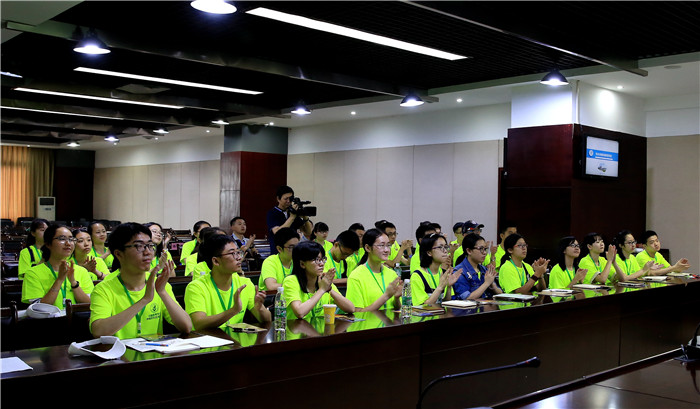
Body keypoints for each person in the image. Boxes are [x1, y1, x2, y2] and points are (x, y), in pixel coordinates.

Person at [90, 223, 191, 339]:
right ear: (119, 254)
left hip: (152, 350)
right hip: (118, 350)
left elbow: (186, 327)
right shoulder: (103, 289)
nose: (148, 252)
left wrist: (162, 292)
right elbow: (98, 331)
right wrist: (144, 300)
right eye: (139, 246)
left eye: (150, 245)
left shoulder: (159, 285)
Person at [184, 234, 270, 330]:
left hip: (235, 338)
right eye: (232, 253)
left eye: (238, 252)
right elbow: (198, 324)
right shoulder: (196, 287)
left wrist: (259, 308)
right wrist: (233, 311)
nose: (239, 258)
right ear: (216, 261)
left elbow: (267, 320)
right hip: (207, 339)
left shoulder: (244, 283)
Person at [21, 224, 94, 309]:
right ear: (48, 244)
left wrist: (73, 282)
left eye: (71, 239)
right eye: (62, 239)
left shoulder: (81, 271)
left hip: (76, 317)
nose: (68, 243)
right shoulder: (33, 274)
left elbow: (90, 304)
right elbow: (39, 309)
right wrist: (59, 280)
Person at [283, 241, 355, 320]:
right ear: (302, 264)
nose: (321, 264)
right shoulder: (291, 281)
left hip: (320, 327)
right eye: (316, 260)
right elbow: (300, 312)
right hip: (297, 327)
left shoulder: (323, 280)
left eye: (322, 259)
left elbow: (351, 308)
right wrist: (322, 289)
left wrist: (329, 289)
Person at [345, 228, 403, 311]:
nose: (387, 250)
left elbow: (398, 308)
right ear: (368, 248)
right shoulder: (356, 276)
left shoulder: (392, 274)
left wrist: (396, 298)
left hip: (389, 319)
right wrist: (386, 296)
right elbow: (357, 313)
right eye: (381, 245)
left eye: (388, 245)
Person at [411, 233, 460, 306]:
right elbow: (423, 307)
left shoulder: (443, 272)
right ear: (429, 252)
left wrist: (449, 287)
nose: (445, 251)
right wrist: (440, 287)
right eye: (440, 247)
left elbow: (445, 303)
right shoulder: (417, 276)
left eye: (446, 247)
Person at [453, 233, 503, 300]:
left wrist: (492, 285)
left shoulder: (484, 269)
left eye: (485, 249)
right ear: (469, 251)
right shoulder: (459, 272)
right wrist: (486, 283)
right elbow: (467, 298)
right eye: (481, 249)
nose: (485, 253)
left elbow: (500, 294)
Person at [266, 185, 312, 255]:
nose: (288, 201)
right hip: (278, 253)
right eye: (285, 199)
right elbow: (278, 233)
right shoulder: (272, 213)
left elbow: (308, 232)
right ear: (278, 199)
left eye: (290, 198)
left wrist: (305, 217)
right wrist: (291, 217)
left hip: (293, 253)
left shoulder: (292, 212)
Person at [259, 227, 300, 292]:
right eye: (291, 247)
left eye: (297, 246)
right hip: (272, 297)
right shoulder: (270, 262)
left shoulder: (299, 261)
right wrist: (296, 285)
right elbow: (271, 286)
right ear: (279, 249)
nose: (296, 250)